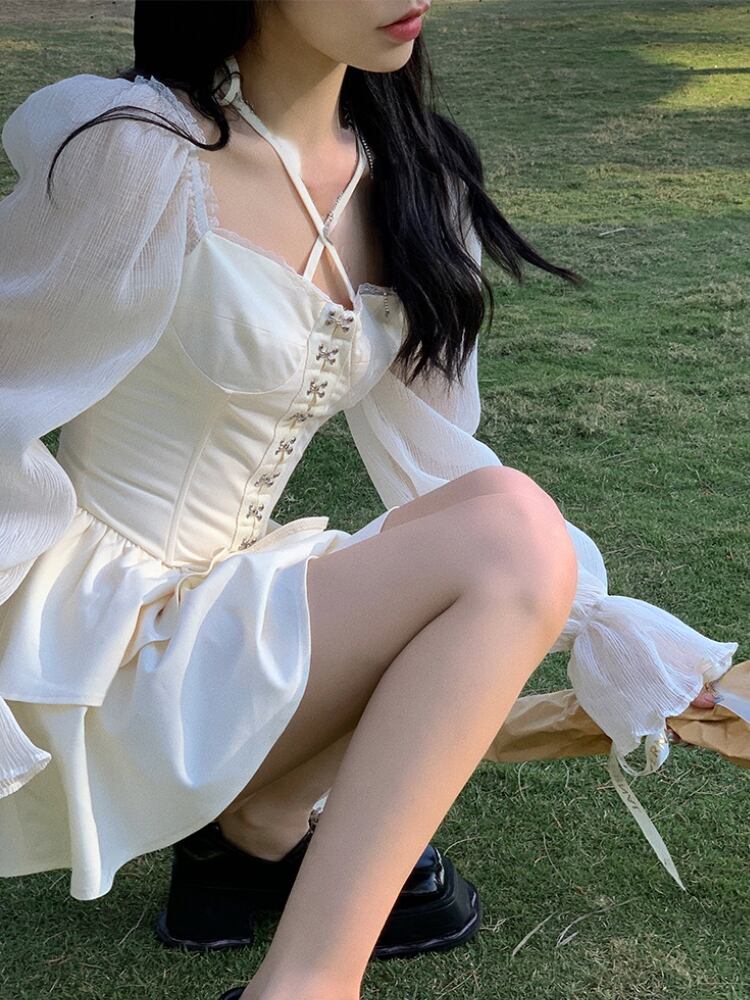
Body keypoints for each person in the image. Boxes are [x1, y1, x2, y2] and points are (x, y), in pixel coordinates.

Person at [0, 3, 737, 999]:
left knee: (502, 522)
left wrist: (611, 631)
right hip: (95, 649)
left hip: (224, 618)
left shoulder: (414, 178)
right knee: (508, 530)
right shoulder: (140, 155)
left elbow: (443, 467)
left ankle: (258, 825)